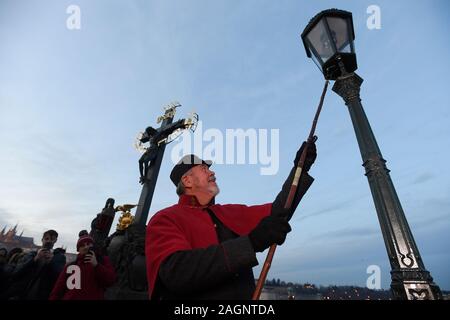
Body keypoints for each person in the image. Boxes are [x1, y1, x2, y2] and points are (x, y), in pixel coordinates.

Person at [145, 141, 317, 300]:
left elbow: (278, 212)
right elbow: (177, 272)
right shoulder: (165, 219)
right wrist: (250, 244)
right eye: (204, 169)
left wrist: (300, 169)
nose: (212, 172)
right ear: (187, 180)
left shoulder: (230, 211)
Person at [49, 230, 116, 300]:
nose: (86, 247)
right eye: (82, 245)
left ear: (92, 245)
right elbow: (58, 290)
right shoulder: (71, 266)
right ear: (78, 250)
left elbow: (111, 280)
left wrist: (97, 266)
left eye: (88, 244)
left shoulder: (103, 261)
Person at [4, 230, 66, 300]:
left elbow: (59, 278)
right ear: (42, 239)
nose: (49, 241)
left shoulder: (59, 257)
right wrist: (35, 259)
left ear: (55, 241)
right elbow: (16, 272)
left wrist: (50, 262)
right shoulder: (31, 254)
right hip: (20, 293)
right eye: (46, 238)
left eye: (52, 239)